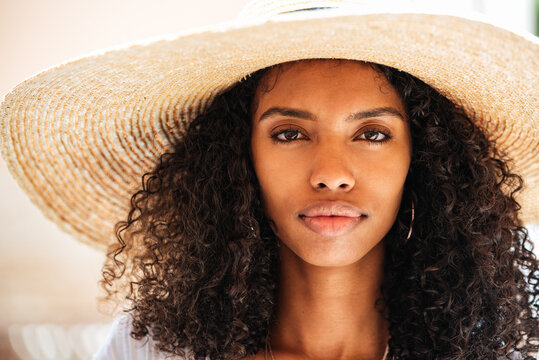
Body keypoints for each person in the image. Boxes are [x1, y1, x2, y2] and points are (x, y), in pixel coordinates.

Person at [0, 1, 537, 359]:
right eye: (288, 134)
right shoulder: (152, 349)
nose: (330, 175)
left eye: (372, 134)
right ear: (237, 161)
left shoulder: (495, 353)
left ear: (424, 162)